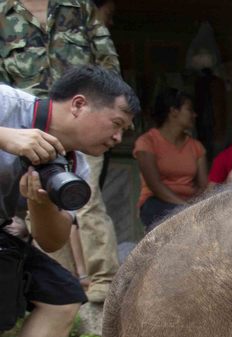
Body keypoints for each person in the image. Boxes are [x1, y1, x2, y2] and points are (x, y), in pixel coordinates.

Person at [0, 65, 138, 337]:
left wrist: (41, 203)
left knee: (62, 294)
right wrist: (5, 137)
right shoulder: (7, 104)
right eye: (116, 123)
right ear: (79, 104)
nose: (117, 138)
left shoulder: (76, 165)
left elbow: (52, 239)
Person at [1, 0, 122, 305]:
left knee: (84, 197)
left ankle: (104, 280)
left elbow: (107, 59)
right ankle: (62, 277)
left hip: (80, 125)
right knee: (34, 201)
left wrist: (105, 112)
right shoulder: (4, 11)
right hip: (23, 124)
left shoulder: (78, 6)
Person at [134, 88, 205, 232]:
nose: (194, 115)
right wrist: (185, 207)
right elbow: (155, 185)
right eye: (190, 110)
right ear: (174, 111)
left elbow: (203, 186)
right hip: (157, 202)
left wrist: (196, 206)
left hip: (189, 203)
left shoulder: (196, 146)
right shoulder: (147, 142)